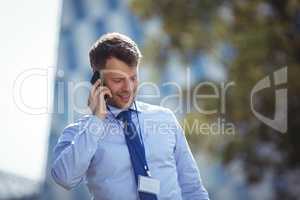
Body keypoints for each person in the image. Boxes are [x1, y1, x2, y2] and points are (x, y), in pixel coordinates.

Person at [51, 32, 209, 200]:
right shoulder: (80, 133)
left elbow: (192, 188)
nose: (128, 88)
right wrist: (96, 120)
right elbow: (64, 178)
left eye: (133, 78)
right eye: (118, 80)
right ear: (98, 80)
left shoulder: (165, 119)